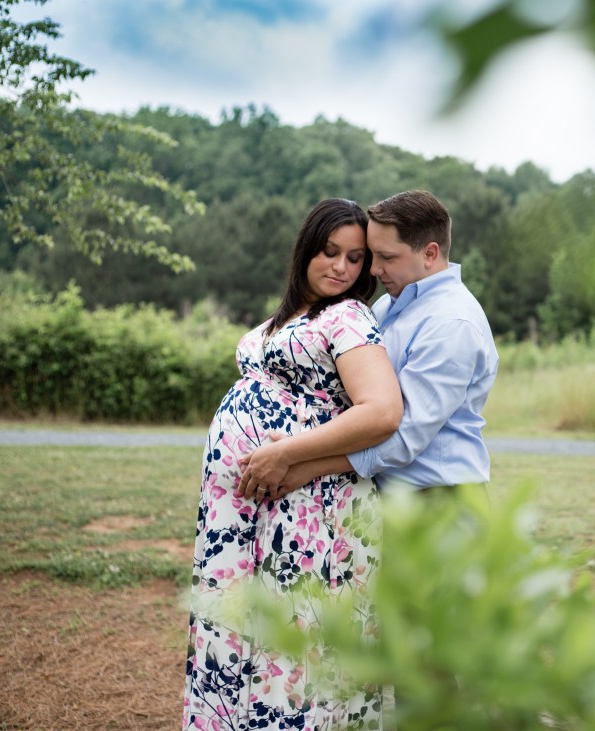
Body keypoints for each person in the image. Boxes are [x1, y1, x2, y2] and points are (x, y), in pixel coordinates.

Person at [182, 198, 403, 731]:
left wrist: (285, 452)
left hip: (305, 507)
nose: (342, 267)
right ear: (306, 248)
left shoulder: (348, 316)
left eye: (355, 259)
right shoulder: (290, 318)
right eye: (330, 252)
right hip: (243, 514)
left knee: (293, 636)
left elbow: (382, 411)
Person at [237, 189, 499, 497]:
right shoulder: (387, 306)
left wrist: (301, 463)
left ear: (430, 254)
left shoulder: (452, 323)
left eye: (387, 257)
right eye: (372, 256)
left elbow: (404, 438)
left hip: (439, 499)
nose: (373, 269)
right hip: (384, 496)